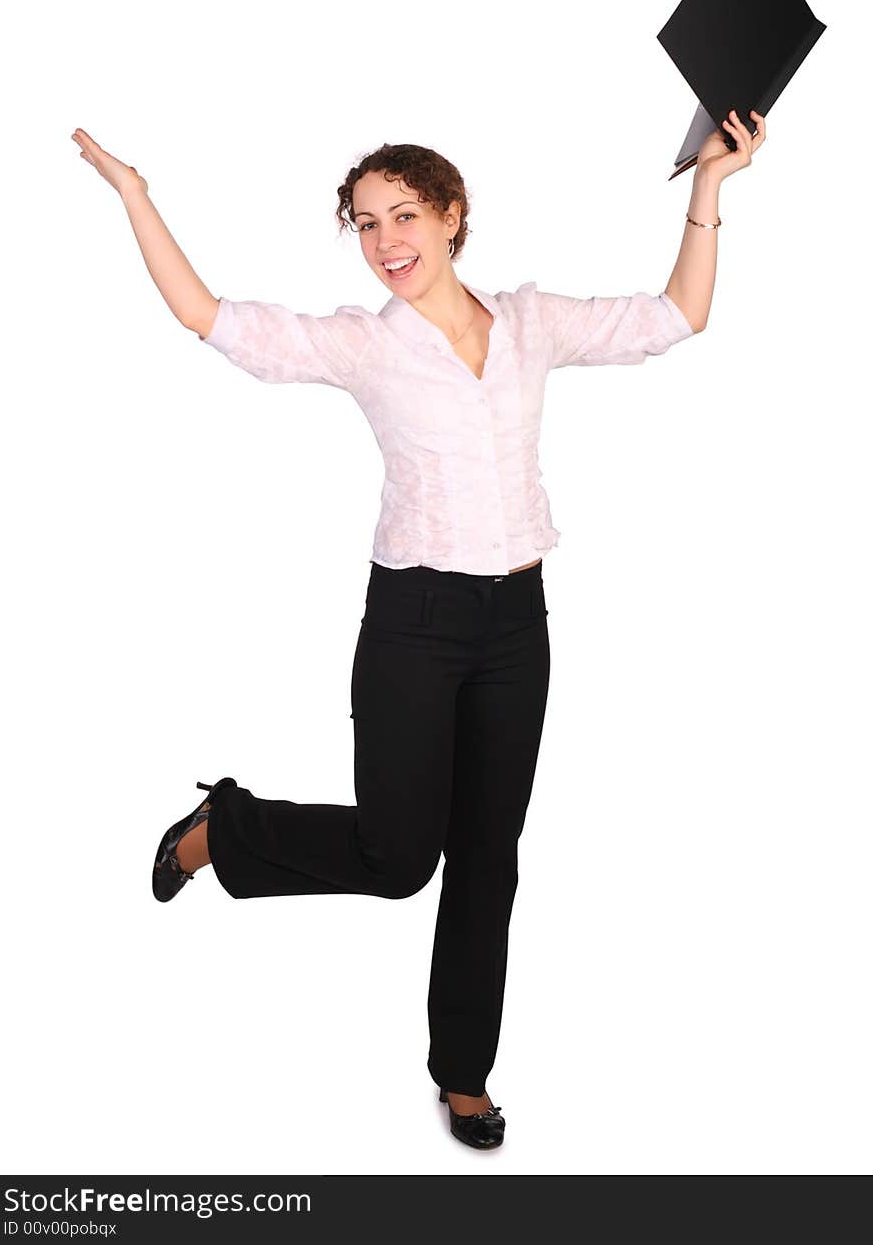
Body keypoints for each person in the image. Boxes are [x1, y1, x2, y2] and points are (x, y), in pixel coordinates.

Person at [71, 112, 766, 1150]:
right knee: (401, 857)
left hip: (513, 627)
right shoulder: (363, 344)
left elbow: (677, 314)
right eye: (363, 223)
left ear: (451, 217)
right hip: (414, 624)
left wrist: (709, 189)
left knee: (489, 859)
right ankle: (227, 830)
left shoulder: (531, 322)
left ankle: (464, 1076)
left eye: (403, 214)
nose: (385, 238)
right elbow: (209, 318)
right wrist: (137, 197)